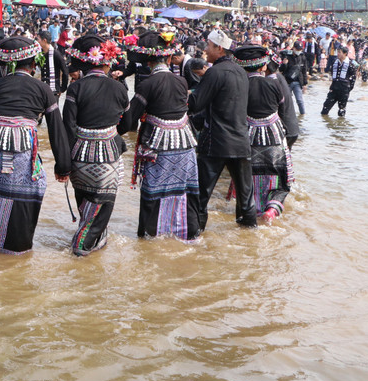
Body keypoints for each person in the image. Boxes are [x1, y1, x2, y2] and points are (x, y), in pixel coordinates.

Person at [0, 37, 70, 254]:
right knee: (28, 193)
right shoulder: (43, 89)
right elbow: (57, 129)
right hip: (19, 151)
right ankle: (10, 250)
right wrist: (63, 167)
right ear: (34, 64)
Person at [118, 31, 200, 239]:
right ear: (169, 58)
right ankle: (188, 234)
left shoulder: (147, 84)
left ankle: (149, 238)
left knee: (153, 193)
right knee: (185, 191)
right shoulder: (181, 82)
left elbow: (129, 119)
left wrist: (113, 129)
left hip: (159, 147)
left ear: (148, 62)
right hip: (185, 145)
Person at [63, 36, 129, 254]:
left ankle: (89, 245)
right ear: (106, 62)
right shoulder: (119, 88)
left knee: (86, 211)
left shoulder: (75, 88)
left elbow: (68, 127)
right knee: (99, 214)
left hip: (79, 159)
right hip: (106, 159)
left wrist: (64, 163)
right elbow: (127, 124)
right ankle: (80, 249)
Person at [188, 29, 256, 232]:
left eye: (208, 46)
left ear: (219, 48)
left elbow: (196, 103)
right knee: (246, 198)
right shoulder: (241, 72)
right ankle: (249, 237)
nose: (205, 51)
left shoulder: (215, 73)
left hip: (216, 143)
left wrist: (180, 91)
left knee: (200, 196)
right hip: (241, 142)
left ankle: (194, 238)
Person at [234, 46, 294, 223]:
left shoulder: (241, 86)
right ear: (263, 66)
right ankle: (272, 210)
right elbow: (281, 106)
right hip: (274, 135)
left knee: (250, 177)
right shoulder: (273, 84)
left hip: (249, 136)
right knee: (279, 178)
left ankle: (253, 211)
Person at [321, 47, 358, 117]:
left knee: (341, 110)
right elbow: (332, 73)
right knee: (325, 108)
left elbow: (353, 78)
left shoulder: (350, 65)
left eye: (339, 52)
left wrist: (347, 89)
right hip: (334, 89)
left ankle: (341, 123)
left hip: (344, 90)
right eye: (337, 52)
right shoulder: (335, 63)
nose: (338, 54)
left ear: (345, 54)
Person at [37, 31, 69, 97]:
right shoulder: (40, 54)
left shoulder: (56, 54)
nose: (37, 41)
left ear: (44, 40)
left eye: (38, 39)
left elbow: (65, 71)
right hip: (43, 88)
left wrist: (62, 88)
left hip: (54, 89)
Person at [279, 42, 308, 115]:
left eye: (300, 49)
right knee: (286, 100)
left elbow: (304, 71)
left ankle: (303, 115)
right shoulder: (287, 56)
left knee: (299, 100)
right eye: (297, 49)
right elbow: (281, 70)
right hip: (287, 82)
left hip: (298, 81)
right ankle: (286, 114)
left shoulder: (302, 57)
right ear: (294, 48)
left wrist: (305, 84)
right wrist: (284, 64)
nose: (299, 51)